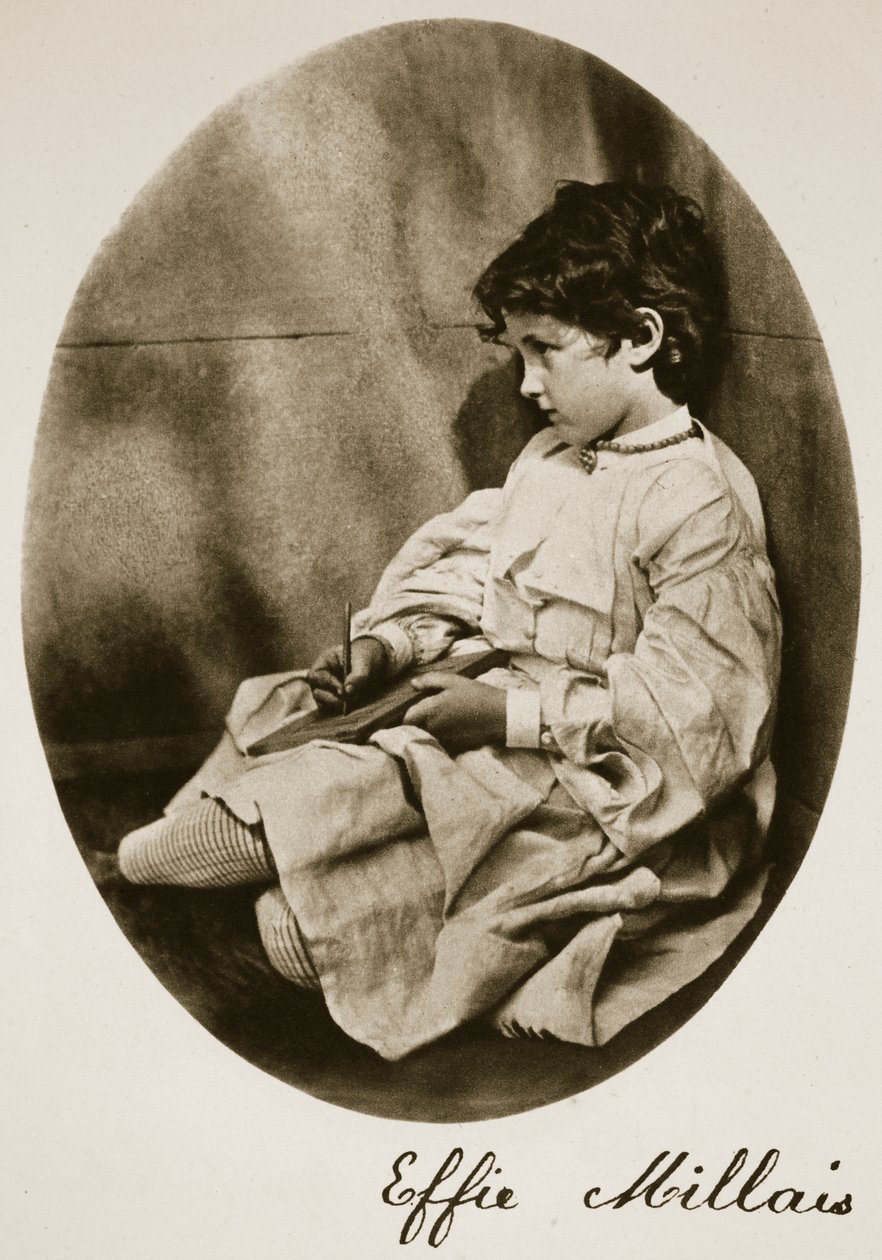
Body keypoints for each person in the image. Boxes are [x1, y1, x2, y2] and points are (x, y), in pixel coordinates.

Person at [118, 182, 781, 1060]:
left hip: (602, 792)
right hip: (488, 726)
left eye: (545, 351)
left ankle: (307, 886)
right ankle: (217, 858)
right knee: (256, 779)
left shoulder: (696, 502)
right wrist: (390, 644)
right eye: (517, 353)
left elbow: (700, 717)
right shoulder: (554, 458)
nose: (527, 384)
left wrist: (508, 716)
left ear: (643, 339)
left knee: (293, 926)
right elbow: (480, 576)